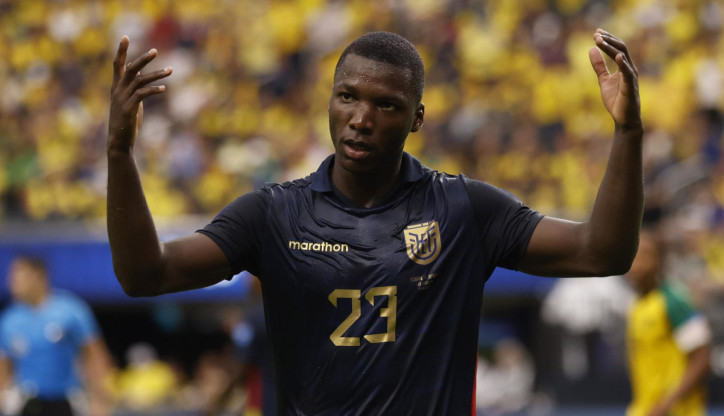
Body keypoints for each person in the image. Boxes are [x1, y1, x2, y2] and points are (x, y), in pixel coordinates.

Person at [107, 29, 643, 414]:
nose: (361, 119)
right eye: (348, 97)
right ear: (330, 101)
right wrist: (118, 152)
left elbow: (603, 253)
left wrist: (627, 135)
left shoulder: (464, 210)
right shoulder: (272, 213)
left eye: (386, 106)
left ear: (417, 118)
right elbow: (145, 275)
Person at [0, 256, 113, 416]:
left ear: (39, 276)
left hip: (66, 400)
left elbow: (95, 355)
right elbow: (3, 365)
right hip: (26, 401)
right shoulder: (9, 319)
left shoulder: (71, 310)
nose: (12, 282)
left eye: (19, 275)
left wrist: (101, 398)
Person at [624, 231, 711, 416]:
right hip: (643, 409)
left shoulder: (675, 302)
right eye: (632, 256)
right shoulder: (636, 305)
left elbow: (702, 358)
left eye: (644, 256)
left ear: (659, 261)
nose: (636, 265)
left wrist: (666, 404)